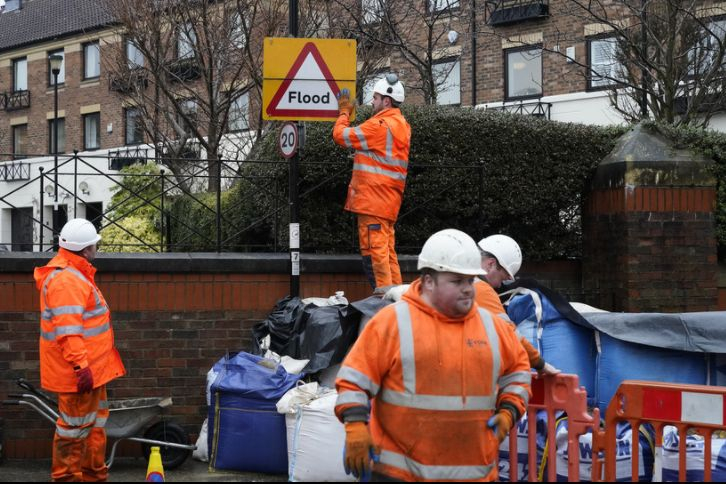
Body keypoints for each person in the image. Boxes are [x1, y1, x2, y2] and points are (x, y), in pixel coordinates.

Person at [335, 229, 531, 482]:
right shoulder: (392, 323)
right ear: (428, 280)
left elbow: (518, 370)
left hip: (473, 474)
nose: (467, 289)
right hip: (400, 474)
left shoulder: (492, 327)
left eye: (470, 281)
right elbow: (354, 380)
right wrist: (355, 426)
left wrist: (509, 410)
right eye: (456, 281)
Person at [33, 218, 125, 482]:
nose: (97, 249)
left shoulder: (75, 274)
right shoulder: (67, 280)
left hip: (93, 370)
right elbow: (68, 332)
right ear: (86, 250)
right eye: (95, 245)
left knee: (93, 427)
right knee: (73, 432)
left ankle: (93, 475)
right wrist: (81, 366)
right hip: (80, 372)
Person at [332, 74, 412, 291]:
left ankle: (384, 304)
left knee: (375, 254)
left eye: (375, 98)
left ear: (387, 101)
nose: (372, 102)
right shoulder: (403, 125)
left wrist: (344, 113)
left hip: (372, 201)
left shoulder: (378, 126)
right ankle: (397, 300)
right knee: (388, 254)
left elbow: (340, 135)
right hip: (388, 202)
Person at [476, 234, 559, 376]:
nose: (499, 285)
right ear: (491, 264)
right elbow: (508, 334)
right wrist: (540, 364)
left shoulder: (441, 278)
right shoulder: (481, 289)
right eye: (502, 278)